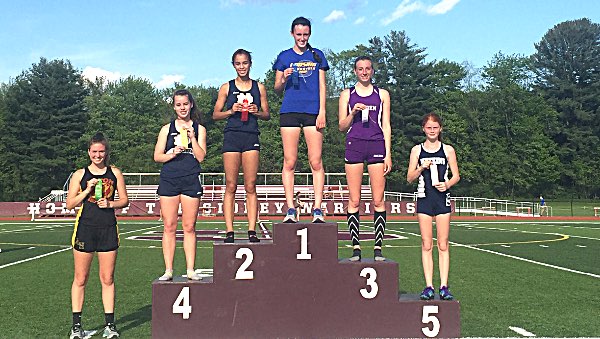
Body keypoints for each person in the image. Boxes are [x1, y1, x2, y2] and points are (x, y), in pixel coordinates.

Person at [66, 133, 129, 339]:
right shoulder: (80, 174)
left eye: (101, 151)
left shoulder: (115, 173)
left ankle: (110, 326)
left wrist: (110, 204)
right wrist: (87, 190)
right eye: (94, 151)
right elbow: (70, 204)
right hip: (85, 227)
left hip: (108, 227)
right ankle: (76, 326)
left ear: (106, 152)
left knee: (107, 278)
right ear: (89, 152)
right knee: (81, 278)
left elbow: (124, 200)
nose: (98, 155)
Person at [273, 16, 329, 223]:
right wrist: (283, 78)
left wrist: (322, 111)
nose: (302, 38)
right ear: (292, 34)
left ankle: (317, 209)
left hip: (312, 111)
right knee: (290, 161)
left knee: (315, 161)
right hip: (289, 110)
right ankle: (290, 208)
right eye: (299, 34)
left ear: (310, 34)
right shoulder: (284, 56)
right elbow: (277, 89)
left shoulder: (317, 55)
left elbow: (323, 85)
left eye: (306, 34)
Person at [213, 48, 270, 243]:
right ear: (233, 65)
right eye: (238, 64)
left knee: (250, 185)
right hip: (232, 137)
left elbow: (267, 114)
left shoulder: (259, 87)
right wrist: (230, 111)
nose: (242, 67)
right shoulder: (226, 87)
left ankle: (252, 230)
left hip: (251, 136)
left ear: (250, 64)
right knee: (230, 184)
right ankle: (229, 231)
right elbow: (215, 115)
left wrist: (256, 111)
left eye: (245, 63)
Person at [338, 56, 392, 262]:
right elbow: (342, 126)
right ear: (355, 71)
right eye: (360, 69)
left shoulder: (382, 94)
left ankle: (378, 248)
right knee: (355, 199)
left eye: (367, 69)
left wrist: (388, 153)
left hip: (377, 144)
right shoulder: (347, 94)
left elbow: (386, 125)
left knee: (378, 199)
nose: (364, 72)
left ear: (372, 71)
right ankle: (356, 248)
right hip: (355, 144)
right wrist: (352, 112)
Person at [154, 89, 206, 281]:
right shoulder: (166, 129)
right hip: (169, 178)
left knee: (189, 226)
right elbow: (157, 156)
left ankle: (191, 269)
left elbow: (201, 157)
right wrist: (172, 153)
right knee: (169, 225)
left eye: (185, 104)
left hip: (191, 178)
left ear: (191, 104)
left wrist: (192, 139)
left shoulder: (199, 129)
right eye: (178, 104)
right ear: (174, 106)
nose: (182, 108)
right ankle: (168, 270)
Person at [407, 113, 460, 301]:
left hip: (442, 199)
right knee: (426, 243)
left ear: (440, 129)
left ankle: (444, 286)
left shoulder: (448, 150)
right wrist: (421, 168)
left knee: (443, 244)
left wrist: (447, 185)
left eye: (435, 127)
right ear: (423, 129)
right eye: (428, 127)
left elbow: (456, 176)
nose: (432, 131)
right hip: (424, 199)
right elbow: (409, 177)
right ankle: (428, 285)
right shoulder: (416, 150)